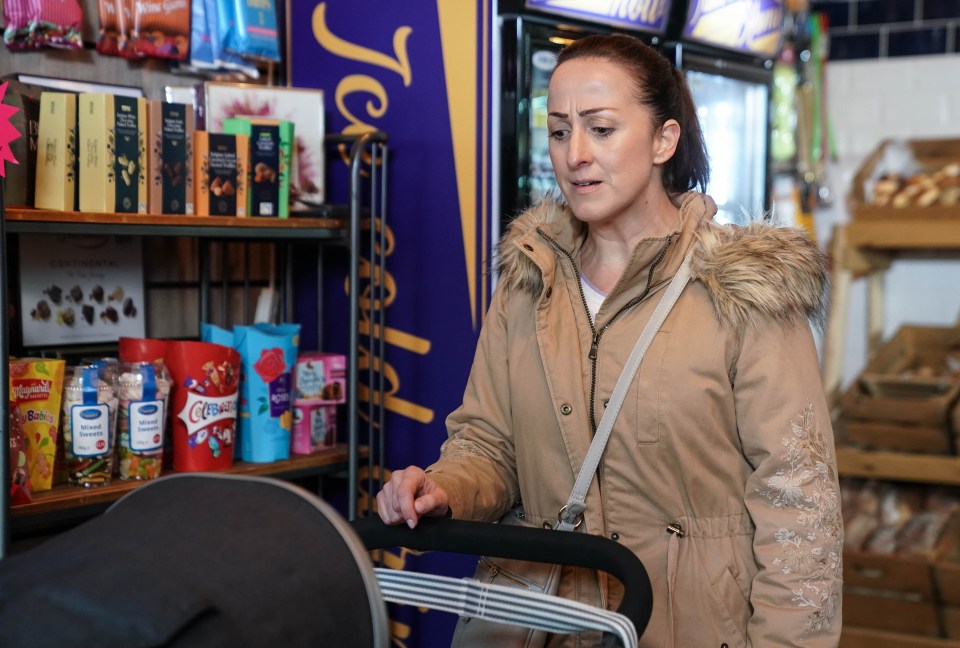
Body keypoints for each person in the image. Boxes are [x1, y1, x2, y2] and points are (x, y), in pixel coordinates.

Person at [377, 33, 843, 647]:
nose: (575, 155)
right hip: (539, 626)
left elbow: (800, 511)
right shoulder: (526, 281)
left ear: (662, 140)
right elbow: (488, 443)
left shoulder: (746, 292)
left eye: (601, 129)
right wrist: (444, 488)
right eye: (560, 131)